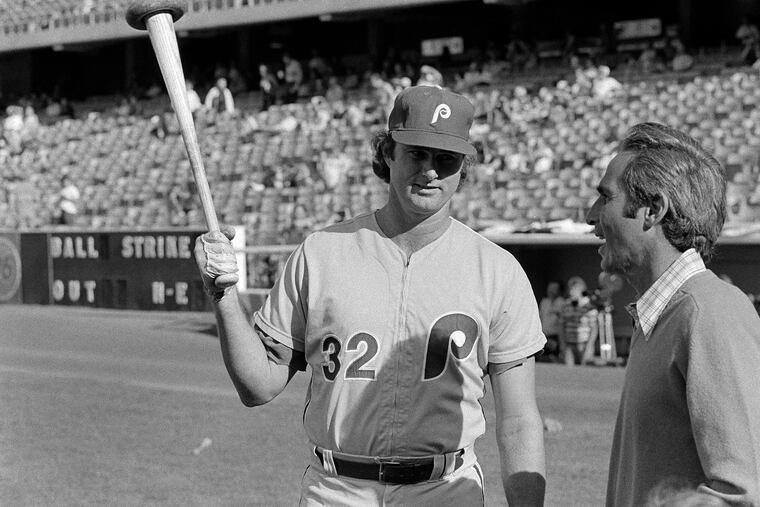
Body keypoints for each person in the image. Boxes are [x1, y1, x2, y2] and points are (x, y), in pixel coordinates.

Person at [193, 85, 547, 505]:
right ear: (388, 153)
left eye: (446, 159)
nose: (430, 171)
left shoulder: (498, 270)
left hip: (445, 490)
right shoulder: (321, 253)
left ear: (463, 168)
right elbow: (258, 385)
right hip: (336, 489)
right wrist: (223, 295)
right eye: (417, 153)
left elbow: (519, 421)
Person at [586, 122, 760, 506]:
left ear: (653, 210)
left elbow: (741, 494)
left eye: (605, 197)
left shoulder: (708, 313)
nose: (590, 215)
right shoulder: (666, 313)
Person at [558, 276, 598, 366]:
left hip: (584, 345)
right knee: (569, 371)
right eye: (570, 289)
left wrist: (589, 347)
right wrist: (562, 343)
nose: (570, 292)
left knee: (584, 371)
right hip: (569, 345)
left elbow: (594, 329)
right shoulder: (565, 305)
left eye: (574, 290)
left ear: (581, 290)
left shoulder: (589, 306)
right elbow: (561, 326)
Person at [538, 279, 565, 361]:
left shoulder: (562, 302)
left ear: (559, 290)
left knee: (555, 360)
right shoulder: (544, 302)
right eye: (550, 288)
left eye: (554, 288)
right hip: (543, 336)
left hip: (556, 337)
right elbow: (540, 318)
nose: (551, 290)